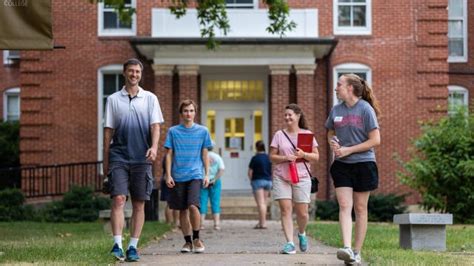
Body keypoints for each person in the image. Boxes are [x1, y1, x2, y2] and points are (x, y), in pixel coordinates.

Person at [103, 58, 163, 262]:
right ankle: (117, 244)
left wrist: (154, 147)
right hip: (118, 156)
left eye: (137, 71)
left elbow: (155, 126)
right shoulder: (112, 99)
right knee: (119, 198)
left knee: (139, 203)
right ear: (124, 73)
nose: (134, 74)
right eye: (130, 71)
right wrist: (105, 160)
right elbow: (108, 131)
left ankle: (133, 247)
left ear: (141, 74)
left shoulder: (150, 98)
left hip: (141, 157)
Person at [325, 73, 381, 265]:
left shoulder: (365, 109)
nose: (336, 88)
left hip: (364, 164)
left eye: (339, 84)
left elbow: (375, 140)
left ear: (350, 88)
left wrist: (349, 149)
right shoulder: (336, 110)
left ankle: (357, 251)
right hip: (342, 165)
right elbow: (330, 132)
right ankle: (347, 247)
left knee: (360, 208)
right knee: (344, 205)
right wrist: (333, 142)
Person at [269, 103, 319, 255]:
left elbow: (316, 157)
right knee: (286, 210)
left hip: (302, 176)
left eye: (290, 114)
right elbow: (272, 157)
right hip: (281, 176)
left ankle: (302, 233)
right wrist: (285, 157)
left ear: (298, 116)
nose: (287, 117)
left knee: (302, 213)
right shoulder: (279, 135)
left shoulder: (307, 134)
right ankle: (290, 243)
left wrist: (304, 155)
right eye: (285, 115)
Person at [164, 99, 212, 254]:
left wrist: (206, 174)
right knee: (182, 210)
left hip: (195, 174)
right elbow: (169, 154)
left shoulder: (203, 131)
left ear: (195, 112)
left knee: (193, 205)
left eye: (191, 110)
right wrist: (168, 174)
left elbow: (205, 154)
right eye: (185, 111)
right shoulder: (173, 131)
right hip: (178, 175)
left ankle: (197, 238)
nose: (188, 114)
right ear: (181, 113)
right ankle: (187, 242)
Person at [200, 141, 225, 230]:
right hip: (215, 182)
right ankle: (216, 224)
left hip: (203, 180)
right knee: (215, 202)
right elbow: (221, 169)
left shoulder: (202, 156)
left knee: (202, 202)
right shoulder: (217, 157)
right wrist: (215, 178)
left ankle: (201, 224)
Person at [248, 140, 272, 229]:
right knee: (264, 203)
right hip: (268, 181)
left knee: (260, 204)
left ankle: (263, 223)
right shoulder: (268, 157)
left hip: (258, 181)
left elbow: (250, 172)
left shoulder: (255, 158)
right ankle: (261, 222)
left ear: (257, 148)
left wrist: (251, 181)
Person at [159, 157, 179, 228]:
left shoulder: (166, 157)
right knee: (174, 204)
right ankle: (175, 223)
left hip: (167, 179)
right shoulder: (174, 157)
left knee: (169, 203)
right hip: (174, 180)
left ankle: (169, 223)